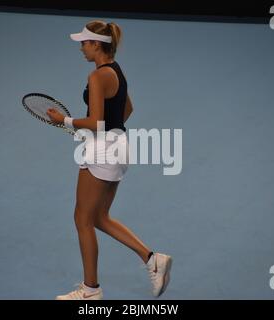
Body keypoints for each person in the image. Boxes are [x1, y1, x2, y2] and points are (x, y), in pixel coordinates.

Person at [46, 20, 172, 300]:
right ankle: (153, 260)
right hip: (118, 146)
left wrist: (65, 121)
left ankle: (91, 290)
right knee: (99, 217)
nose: (81, 48)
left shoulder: (97, 76)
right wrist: (104, 133)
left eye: (84, 43)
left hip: (103, 150)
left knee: (82, 219)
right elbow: (127, 108)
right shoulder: (116, 71)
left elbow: (96, 121)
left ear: (96, 44)